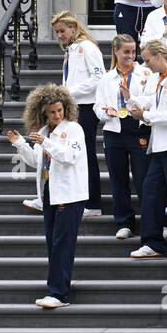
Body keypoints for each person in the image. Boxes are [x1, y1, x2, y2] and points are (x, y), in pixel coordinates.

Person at [7, 84, 87, 309]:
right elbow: (36, 161)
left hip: (70, 194)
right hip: (50, 191)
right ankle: (59, 287)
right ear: (43, 112)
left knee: (62, 242)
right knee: (53, 242)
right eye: (52, 111)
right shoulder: (43, 132)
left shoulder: (74, 129)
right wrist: (20, 144)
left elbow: (69, 156)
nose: (56, 115)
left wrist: (46, 143)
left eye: (60, 110)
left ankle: (58, 293)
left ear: (66, 108)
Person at [128, 40, 167, 259]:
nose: (146, 65)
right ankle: (153, 242)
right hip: (159, 146)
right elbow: (151, 100)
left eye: (147, 60)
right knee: (151, 192)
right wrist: (133, 101)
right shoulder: (157, 78)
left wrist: (145, 116)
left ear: (159, 55)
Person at [94, 35, 150, 242]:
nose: (130, 56)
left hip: (138, 128)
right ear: (116, 52)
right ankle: (124, 222)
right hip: (113, 131)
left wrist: (134, 104)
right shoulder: (107, 78)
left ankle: (150, 221)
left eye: (133, 52)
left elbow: (150, 100)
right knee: (118, 179)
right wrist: (106, 112)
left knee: (144, 178)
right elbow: (97, 106)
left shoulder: (145, 74)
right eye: (126, 52)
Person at [50, 11, 104, 216]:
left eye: (62, 31)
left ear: (73, 28)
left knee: (86, 153)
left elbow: (99, 78)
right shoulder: (71, 50)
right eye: (56, 32)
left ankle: (93, 204)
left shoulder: (87, 47)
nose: (60, 35)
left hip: (86, 108)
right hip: (73, 106)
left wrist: (69, 92)